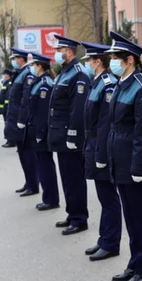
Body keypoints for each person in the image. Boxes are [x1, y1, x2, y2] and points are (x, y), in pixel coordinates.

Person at [105, 30, 142, 281]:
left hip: (135, 165)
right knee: (131, 217)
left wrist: (138, 167)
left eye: (117, 57)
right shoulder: (122, 84)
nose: (112, 62)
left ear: (130, 60)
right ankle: (135, 263)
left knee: (141, 219)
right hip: (121, 161)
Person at [81, 41, 122, 262]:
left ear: (98, 61)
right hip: (93, 144)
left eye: (89, 60)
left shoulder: (107, 84)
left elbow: (106, 123)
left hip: (101, 147)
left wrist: (101, 155)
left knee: (109, 197)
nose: (87, 64)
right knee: (103, 196)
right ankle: (104, 237)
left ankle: (111, 242)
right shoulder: (96, 82)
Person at [49, 35, 89, 235]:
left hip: (69, 136)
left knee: (74, 178)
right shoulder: (65, 72)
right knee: (66, 177)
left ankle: (80, 218)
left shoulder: (78, 74)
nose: (56, 53)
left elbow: (77, 109)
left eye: (59, 50)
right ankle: (72, 212)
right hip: (60, 135)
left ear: (70, 52)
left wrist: (73, 136)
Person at [25, 53, 60, 211]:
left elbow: (43, 112)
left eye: (34, 65)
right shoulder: (39, 82)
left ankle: (51, 199)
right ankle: (49, 197)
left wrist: (40, 134)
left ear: (39, 66)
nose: (32, 68)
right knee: (42, 164)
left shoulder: (45, 84)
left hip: (42, 132)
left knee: (45, 166)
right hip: (37, 130)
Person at [9, 48, 40, 197]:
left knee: (28, 154)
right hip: (16, 118)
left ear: (21, 59)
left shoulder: (27, 74)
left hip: (23, 120)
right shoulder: (20, 73)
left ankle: (33, 184)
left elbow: (25, 100)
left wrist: (22, 120)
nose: (13, 61)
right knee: (22, 153)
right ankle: (28, 182)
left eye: (15, 58)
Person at [0, 69, 13, 146]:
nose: (4, 75)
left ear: (8, 75)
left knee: (9, 125)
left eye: (5, 74)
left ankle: (11, 141)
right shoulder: (6, 83)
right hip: (5, 107)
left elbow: (8, 97)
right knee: (7, 124)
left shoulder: (9, 83)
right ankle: (9, 140)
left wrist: (5, 107)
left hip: (8, 107)